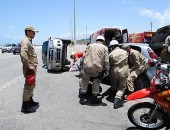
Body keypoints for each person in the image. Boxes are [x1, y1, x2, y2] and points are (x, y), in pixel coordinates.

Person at [79, 35, 109, 104]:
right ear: (103, 41)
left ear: (96, 40)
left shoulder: (90, 45)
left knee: (85, 81)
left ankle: (82, 98)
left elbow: (84, 56)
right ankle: (94, 98)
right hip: (97, 68)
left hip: (87, 67)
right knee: (96, 82)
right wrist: (107, 69)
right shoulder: (105, 48)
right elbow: (106, 60)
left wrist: (82, 66)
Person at [20, 26, 39, 113]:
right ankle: (25, 106)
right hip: (29, 68)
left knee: (32, 85)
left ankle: (30, 101)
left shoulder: (29, 41)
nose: (35, 34)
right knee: (29, 86)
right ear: (28, 32)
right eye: (33, 32)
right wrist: (28, 66)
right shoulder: (25, 41)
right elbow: (23, 54)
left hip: (32, 67)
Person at [109, 40, 129, 109]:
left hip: (114, 70)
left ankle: (113, 94)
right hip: (124, 70)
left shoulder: (111, 53)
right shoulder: (125, 52)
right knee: (122, 87)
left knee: (114, 82)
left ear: (112, 46)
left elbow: (109, 63)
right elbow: (127, 60)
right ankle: (117, 100)